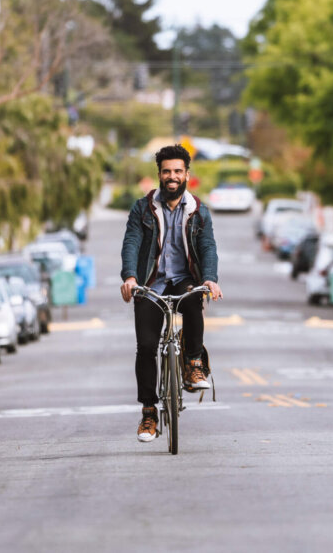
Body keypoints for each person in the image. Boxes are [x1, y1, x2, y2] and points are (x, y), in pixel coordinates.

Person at [120, 144, 223, 443]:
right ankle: (149, 411)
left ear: (187, 174)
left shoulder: (199, 211)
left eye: (178, 171)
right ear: (159, 175)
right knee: (146, 347)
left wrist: (210, 279)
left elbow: (208, 247)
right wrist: (130, 277)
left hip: (183, 280)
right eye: (167, 171)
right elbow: (131, 243)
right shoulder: (143, 208)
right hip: (150, 284)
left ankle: (192, 363)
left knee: (194, 298)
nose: (172, 176)